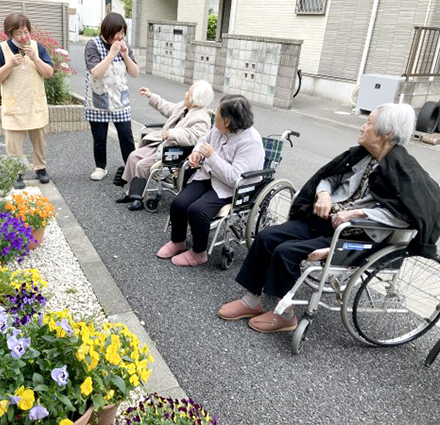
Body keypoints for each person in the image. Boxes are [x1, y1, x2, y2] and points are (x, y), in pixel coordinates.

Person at [218, 103, 440, 333]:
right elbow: (329, 177)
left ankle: (285, 315)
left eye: (369, 123)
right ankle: (251, 301)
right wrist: (323, 193)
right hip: (326, 221)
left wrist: (358, 213)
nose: (362, 127)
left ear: (388, 133)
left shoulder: (404, 171)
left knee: (286, 251)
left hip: (355, 234)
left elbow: (408, 215)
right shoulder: (362, 156)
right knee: (267, 236)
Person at [156, 95, 265, 267]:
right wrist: (197, 153)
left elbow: (235, 178)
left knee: (198, 210)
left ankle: (199, 254)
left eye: (219, 114)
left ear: (228, 121)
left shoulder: (251, 142)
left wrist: (212, 156)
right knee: (179, 203)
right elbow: (203, 141)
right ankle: (178, 242)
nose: (215, 115)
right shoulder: (219, 129)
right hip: (209, 175)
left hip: (232, 187)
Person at [116, 80, 214, 211]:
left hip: (175, 151)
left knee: (141, 165)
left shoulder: (201, 118)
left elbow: (194, 136)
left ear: (194, 98)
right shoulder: (183, 107)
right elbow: (166, 107)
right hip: (163, 145)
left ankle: (139, 197)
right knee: (134, 156)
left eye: (188, 91)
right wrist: (151, 96)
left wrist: (173, 133)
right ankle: (130, 192)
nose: (186, 93)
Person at [0, 13, 54, 189]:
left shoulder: (36, 47)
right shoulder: (1, 49)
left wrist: (35, 58)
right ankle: (15, 172)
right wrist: (9, 65)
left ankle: (41, 168)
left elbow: (49, 73)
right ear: (10, 34)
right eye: (19, 33)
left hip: (35, 103)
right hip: (14, 106)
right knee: (13, 145)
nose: (24, 37)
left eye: (26, 31)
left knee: (40, 140)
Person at [84, 12, 139, 181]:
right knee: (99, 138)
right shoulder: (93, 45)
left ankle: (132, 169)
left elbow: (135, 73)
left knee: (126, 136)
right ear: (107, 31)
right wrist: (111, 54)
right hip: (99, 99)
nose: (121, 37)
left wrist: (125, 55)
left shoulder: (125, 46)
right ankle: (101, 167)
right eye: (118, 33)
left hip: (120, 100)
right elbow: (96, 72)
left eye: (123, 33)